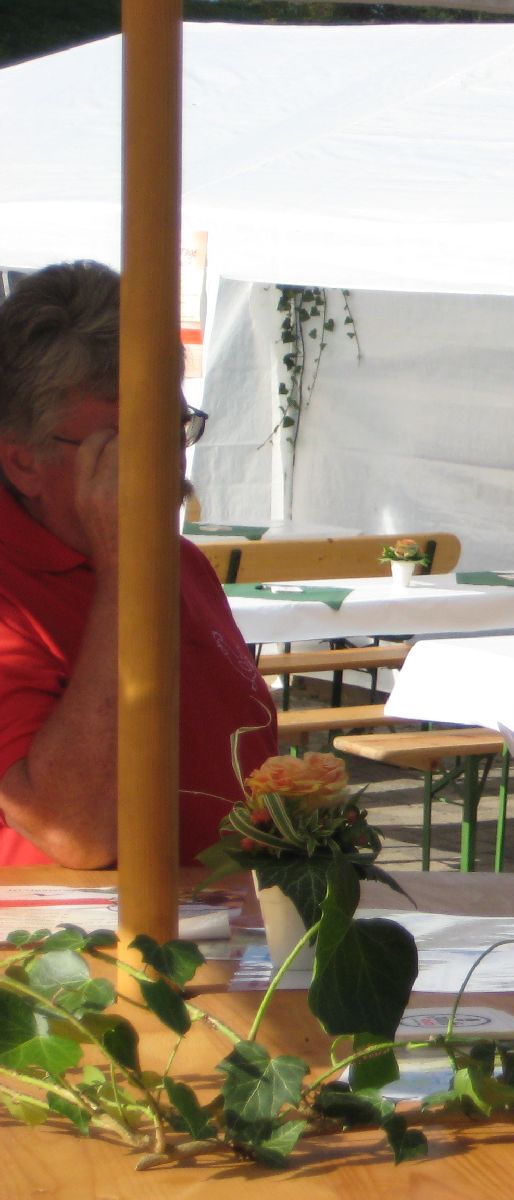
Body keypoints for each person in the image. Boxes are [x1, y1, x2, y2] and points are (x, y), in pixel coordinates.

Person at [0, 260, 277, 868]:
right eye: (123, 440)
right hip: (78, 928)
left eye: (172, 427)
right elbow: (76, 831)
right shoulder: (12, 594)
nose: (163, 463)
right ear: (23, 462)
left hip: (224, 916)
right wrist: (125, 569)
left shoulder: (180, 564)